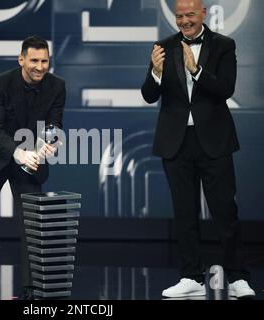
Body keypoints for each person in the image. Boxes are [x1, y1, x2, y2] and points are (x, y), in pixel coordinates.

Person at [141, 0, 255, 299]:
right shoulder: (162, 47)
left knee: (225, 211)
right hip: (175, 142)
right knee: (184, 213)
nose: (184, 21)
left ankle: (238, 275)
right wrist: (155, 72)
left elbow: (225, 88)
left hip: (214, 141)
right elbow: (148, 95)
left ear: (203, 13)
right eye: (179, 16)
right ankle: (191, 276)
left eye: (190, 15)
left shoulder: (223, 45)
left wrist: (197, 70)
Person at [0, 35, 65, 299]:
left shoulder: (57, 86)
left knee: (33, 224)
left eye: (45, 61)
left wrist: (50, 142)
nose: (40, 67)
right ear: (21, 60)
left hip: (30, 161)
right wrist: (19, 153)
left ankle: (31, 287)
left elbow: (55, 124)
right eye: (34, 61)